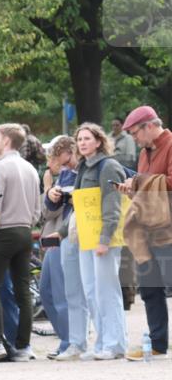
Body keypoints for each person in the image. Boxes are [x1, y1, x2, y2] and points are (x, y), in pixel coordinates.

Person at [56, 123, 128, 359]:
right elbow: (79, 206)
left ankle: (115, 344)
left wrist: (104, 239)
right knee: (91, 291)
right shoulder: (84, 167)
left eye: (87, 138)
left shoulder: (108, 166)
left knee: (107, 291)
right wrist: (64, 231)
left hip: (103, 239)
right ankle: (102, 343)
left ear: (98, 141)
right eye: (79, 139)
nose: (82, 143)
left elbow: (112, 205)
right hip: (85, 238)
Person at [0, 123, 42, 362]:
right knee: (22, 290)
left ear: (6, 140)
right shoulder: (30, 169)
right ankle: (24, 345)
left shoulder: (0, 168)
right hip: (26, 230)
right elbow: (37, 209)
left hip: (5, 231)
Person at [119, 105, 172, 360]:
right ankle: (158, 343)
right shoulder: (143, 153)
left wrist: (140, 181)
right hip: (146, 230)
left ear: (150, 125)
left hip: (168, 230)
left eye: (134, 133)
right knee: (150, 288)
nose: (134, 138)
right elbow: (147, 188)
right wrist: (131, 187)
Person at [39, 136, 75, 358]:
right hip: (52, 236)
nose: (48, 163)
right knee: (46, 290)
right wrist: (48, 190)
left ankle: (69, 340)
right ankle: (65, 338)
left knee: (60, 292)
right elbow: (47, 212)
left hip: (64, 235)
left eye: (51, 158)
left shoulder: (73, 174)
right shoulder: (60, 176)